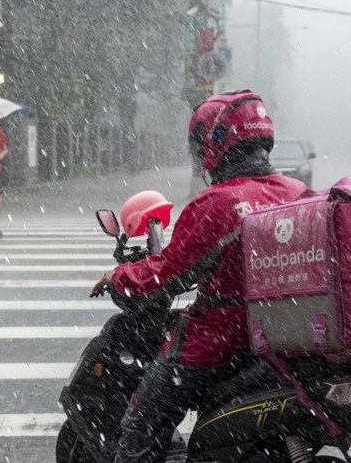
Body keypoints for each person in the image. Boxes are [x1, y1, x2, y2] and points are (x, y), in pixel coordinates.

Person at [90, 90, 309, 463]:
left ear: (216, 141)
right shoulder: (299, 193)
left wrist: (120, 277)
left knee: (140, 432)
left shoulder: (218, 204)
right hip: (288, 336)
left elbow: (165, 275)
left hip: (221, 342)